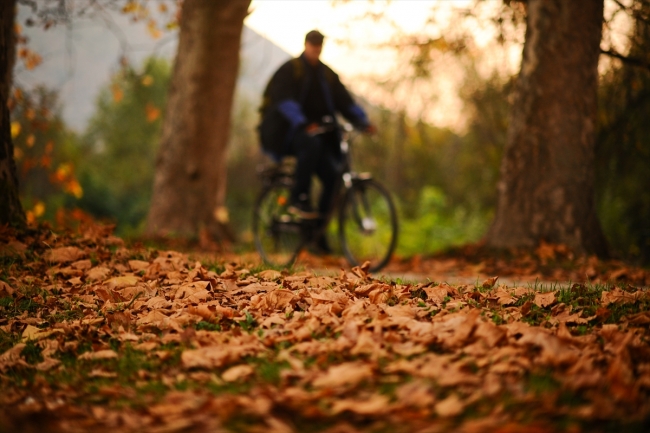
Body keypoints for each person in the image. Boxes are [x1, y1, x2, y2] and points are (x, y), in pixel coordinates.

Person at [258, 30, 373, 244]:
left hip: (320, 137)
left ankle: (317, 234)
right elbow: (283, 101)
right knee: (309, 144)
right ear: (306, 45)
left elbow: (345, 102)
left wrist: (363, 121)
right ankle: (298, 198)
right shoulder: (291, 70)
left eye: (319, 46)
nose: (315, 49)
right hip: (287, 132)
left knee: (333, 177)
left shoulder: (326, 75)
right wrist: (302, 123)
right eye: (313, 45)